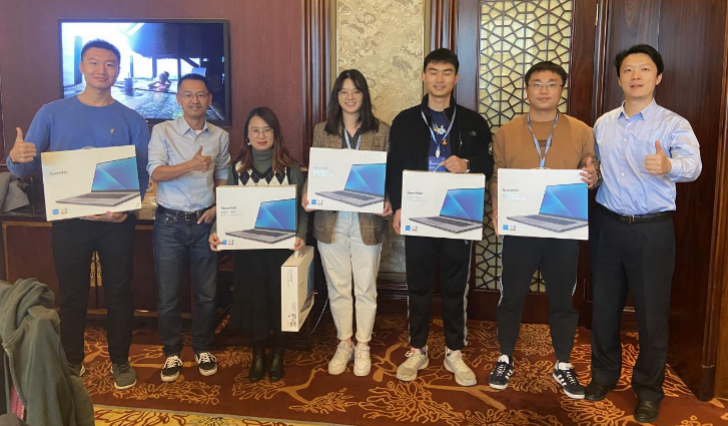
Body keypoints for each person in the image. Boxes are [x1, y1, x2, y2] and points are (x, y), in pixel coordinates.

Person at [6, 39, 149, 390]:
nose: (102, 70)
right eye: (94, 62)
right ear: (82, 67)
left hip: (117, 223)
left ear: (118, 70)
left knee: (119, 293)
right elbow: (24, 167)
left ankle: (120, 360)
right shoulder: (51, 112)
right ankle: (72, 360)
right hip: (70, 222)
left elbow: (141, 173)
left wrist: (127, 208)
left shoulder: (132, 119)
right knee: (72, 294)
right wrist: (16, 158)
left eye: (110, 64)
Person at [586, 44, 701, 423]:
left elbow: (694, 165)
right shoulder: (603, 124)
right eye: (628, 70)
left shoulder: (673, 124)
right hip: (607, 225)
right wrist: (591, 177)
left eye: (645, 69)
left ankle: (649, 391)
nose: (636, 76)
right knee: (604, 307)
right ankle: (603, 376)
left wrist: (669, 165)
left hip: (652, 230)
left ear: (658, 77)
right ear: (619, 78)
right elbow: (597, 171)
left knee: (652, 315)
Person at [487, 61, 599, 398]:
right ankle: (505, 356)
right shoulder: (506, 132)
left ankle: (563, 362)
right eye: (537, 83)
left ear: (561, 90)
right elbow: (498, 176)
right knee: (511, 295)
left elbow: (591, 173)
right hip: (520, 228)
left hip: (563, 230)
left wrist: (593, 178)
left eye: (552, 83)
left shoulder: (582, 131)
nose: (544, 90)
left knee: (563, 298)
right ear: (527, 90)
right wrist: (496, 210)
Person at [387, 48, 493, 387]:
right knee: (418, 284)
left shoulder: (473, 123)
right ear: (423, 76)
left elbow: (489, 164)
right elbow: (394, 167)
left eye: (447, 73)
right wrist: (398, 205)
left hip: (457, 214)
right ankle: (417, 348)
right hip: (418, 213)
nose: (439, 79)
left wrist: (467, 163)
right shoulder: (405, 121)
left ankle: (454, 350)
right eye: (433, 72)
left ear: (456, 78)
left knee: (454, 285)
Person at [301, 69, 391, 377]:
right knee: (338, 286)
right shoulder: (322, 130)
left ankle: (363, 344)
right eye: (343, 91)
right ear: (336, 97)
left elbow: (388, 174)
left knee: (365, 286)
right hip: (331, 220)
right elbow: (316, 170)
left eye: (355, 91)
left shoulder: (381, 130)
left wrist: (389, 200)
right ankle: (345, 342)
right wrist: (307, 193)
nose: (349, 97)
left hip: (368, 220)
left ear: (364, 95)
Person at [208, 107, 307, 382]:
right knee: (253, 301)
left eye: (267, 129)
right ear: (247, 135)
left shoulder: (290, 168)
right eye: (255, 130)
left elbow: (302, 210)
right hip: (248, 250)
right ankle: (258, 354)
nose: (261, 135)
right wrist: (216, 231)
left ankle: (278, 352)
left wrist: (301, 235)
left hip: (281, 250)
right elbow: (226, 207)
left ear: (275, 134)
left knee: (279, 300)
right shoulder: (237, 169)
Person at [147, 73, 230, 382]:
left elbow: (223, 174)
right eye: (188, 95)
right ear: (178, 99)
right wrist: (191, 165)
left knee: (207, 294)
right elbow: (156, 172)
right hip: (169, 223)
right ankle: (172, 352)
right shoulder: (162, 131)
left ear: (209, 99)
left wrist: (218, 207)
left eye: (201, 95)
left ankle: (202, 347)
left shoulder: (219, 136)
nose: (195, 100)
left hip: (204, 223)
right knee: (169, 295)